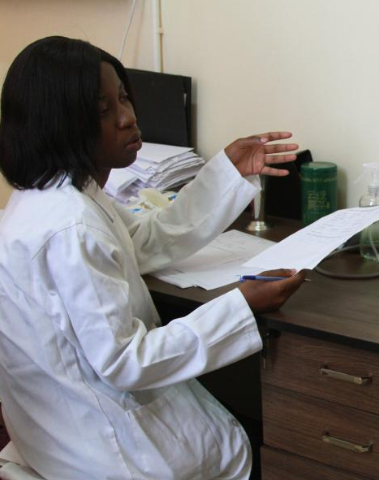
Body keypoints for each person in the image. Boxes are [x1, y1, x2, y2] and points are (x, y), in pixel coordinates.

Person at [0, 36, 307, 480]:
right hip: (109, 456)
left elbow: (144, 240)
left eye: (123, 97)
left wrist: (226, 172)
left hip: (57, 439)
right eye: (103, 111)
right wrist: (243, 304)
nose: (128, 118)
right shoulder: (70, 227)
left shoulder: (54, 197)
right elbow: (126, 361)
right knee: (241, 448)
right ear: (61, 123)